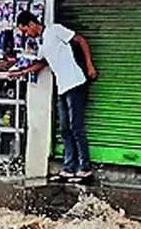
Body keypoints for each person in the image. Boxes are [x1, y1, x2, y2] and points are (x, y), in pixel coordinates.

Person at [9, 12, 98, 180]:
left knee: (76, 127)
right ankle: (69, 166)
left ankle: (85, 167)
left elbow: (81, 41)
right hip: (62, 88)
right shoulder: (40, 42)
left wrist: (89, 65)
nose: (27, 34)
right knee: (65, 128)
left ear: (31, 24)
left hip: (75, 83)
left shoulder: (55, 30)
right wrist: (20, 71)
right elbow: (42, 63)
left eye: (26, 30)